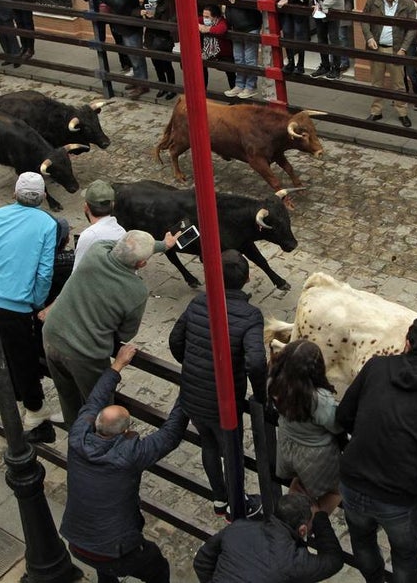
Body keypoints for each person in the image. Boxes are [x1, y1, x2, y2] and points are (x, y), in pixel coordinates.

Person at [336, 317, 417, 583]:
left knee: (362, 543)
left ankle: (374, 579)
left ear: (407, 343)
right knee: (405, 561)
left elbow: (344, 415)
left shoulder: (376, 367)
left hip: (354, 479)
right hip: (400, 495)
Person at [60, 344, 189, 583]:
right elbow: (170, 434)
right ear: (125, 431)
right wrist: (187, 390)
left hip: (78, 542)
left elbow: (95, 400)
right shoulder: (129, 455)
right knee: (157, 567)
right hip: (116, 550)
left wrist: (117, 365)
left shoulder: (78, 436)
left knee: (105, 569)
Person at [169, 250, 267, 519]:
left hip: (192, 394)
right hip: (224, 400)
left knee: (209, 446)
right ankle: (237, 502)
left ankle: (219, 498)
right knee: (230, 449)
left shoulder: (199, 303)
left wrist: (191, 365)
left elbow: (175, 340)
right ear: (247, 279)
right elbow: (256, 362)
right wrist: (261, 395)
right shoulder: (250, 316)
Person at [43, 229, 176, 425]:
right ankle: (99, 445)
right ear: (142, 264)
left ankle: (74, 433)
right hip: (84, 352)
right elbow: (126, 332)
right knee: (100, 406)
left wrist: (162, 245)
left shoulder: (97, 251)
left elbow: (117, 244)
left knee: (67, 395)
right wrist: (163, 246)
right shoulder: (136, 290)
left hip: (52, 335)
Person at [0, 172, 60, 441]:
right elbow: (45, 271)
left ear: (14, 193)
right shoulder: (47, 224)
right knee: (22, 358)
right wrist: (36, 301)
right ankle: (36, 410)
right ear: (43, 197)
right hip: (15, 303)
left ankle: (13, 390)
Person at [192, 492, 344, 583]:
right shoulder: (292, 561)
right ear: (302, 530)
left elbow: (201, 562)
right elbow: (334, 561)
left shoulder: (238, 528)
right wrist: (320, 518)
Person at [268, 340, 342, 515]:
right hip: (315, 456)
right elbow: (335, 425)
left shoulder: (275, 382)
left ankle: (291, 516)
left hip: (287, 446)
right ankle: (312, 523)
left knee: (300, 481)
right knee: (338, 490)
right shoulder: (318, 398)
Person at [361, 0, 417, 126]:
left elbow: (412, 29)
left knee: (399, 84)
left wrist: (404, 48)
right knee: (376, 82)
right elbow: (364, 19)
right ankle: (376, 111)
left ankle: (402, 113)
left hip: (396, 49)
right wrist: (369, 37)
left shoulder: (408, 4)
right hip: (377, 47)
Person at [92, 0, 148, 95]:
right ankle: (137, 80)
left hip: (130, 26)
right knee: (131, 54)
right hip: (123, 25)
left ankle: (143, 84)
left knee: (136, 55)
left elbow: (119, 4)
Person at [210, 0, 264, 98]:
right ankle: (240, 85)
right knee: (239, 58)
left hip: (250, 25)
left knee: (250, 59)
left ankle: (250, 86)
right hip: (234, 26)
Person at [72, 180, 126, 267]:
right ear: (112, 205)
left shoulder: (89, 236)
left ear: (86, 207)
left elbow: (77, 273)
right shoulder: (122, 232)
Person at [143, 0, 178, 100]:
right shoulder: (148, 3)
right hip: (151, 38)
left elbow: (168, 23)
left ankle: (171, 88)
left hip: (163, 39)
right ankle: (162, 86)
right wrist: (144, 14)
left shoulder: (167, 5)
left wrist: (154, 16)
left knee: (167, 64)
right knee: (157, 64)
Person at [200, 4, 237, 92]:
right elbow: (193, 20)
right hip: (208, 52)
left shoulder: (222, 21)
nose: (204, 18)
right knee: (200, 66)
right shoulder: (204, 20)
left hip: (224, 54)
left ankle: (235, 95)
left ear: (215, 17)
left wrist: (208, 29)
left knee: (230, 73)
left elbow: (221, 29)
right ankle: (202, 91)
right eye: (203, 16)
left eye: (207, 16)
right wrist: (198, 25)